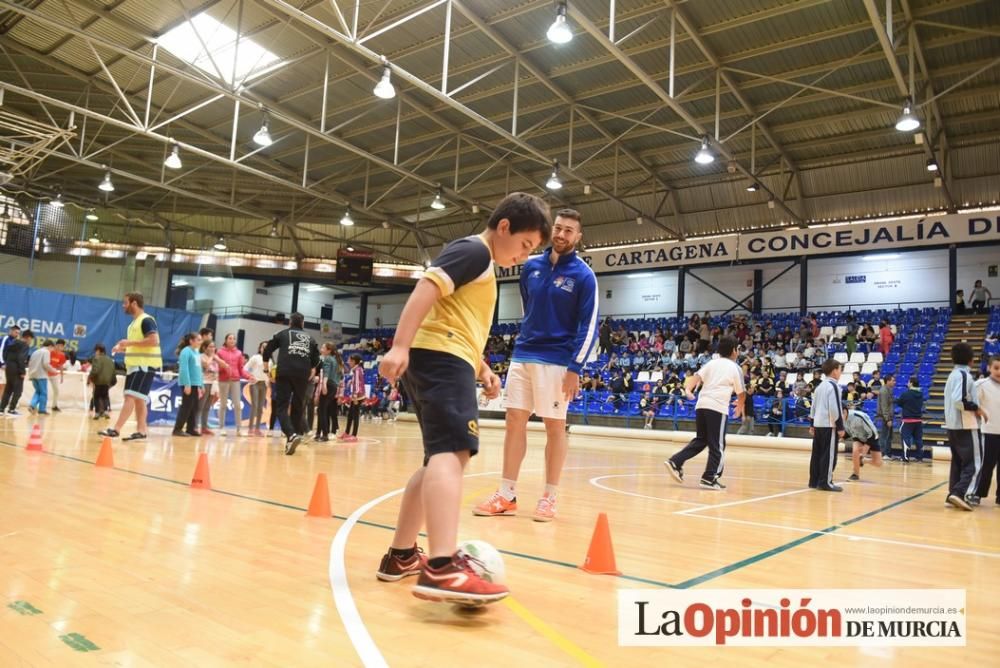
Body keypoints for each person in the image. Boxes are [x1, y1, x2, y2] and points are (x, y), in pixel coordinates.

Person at [375, 191, 549, 605]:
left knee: (437, 458)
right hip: (439, 356)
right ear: (504, 227)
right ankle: (442, 567)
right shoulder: (474, 250)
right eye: (525, 245)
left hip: (446, 356)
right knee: (454, 453)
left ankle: (401, 555)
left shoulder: (482, 263)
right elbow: (426, 290)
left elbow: (456, 318)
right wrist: (399, 345)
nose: (525, 257)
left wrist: (482, 367)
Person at [475, 208, 597, 522]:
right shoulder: (530, 267)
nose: (562, 234)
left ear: (578, 237)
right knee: (514, 421)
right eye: (558, 228)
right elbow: (529, 307)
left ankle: (549, 497)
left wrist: (575, 368)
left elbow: (589, 325)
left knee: (554, 427)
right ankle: (507, 494)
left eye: (569, 231)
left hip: (557, 361)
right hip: (523, 353)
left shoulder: (584, 276)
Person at [664, 336, 745, 490]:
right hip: (717, 408)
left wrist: (688, 390)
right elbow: (742, 392)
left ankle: (676, 461)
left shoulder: (711, 363)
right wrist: (740, 406)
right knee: (718, 445)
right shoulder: (735, 367)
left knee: (702, 440)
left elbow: (695, 377)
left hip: (701, 405)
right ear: (734, 350)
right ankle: (710, 478)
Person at [98, 293, 160, 441]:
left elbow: (154, 341)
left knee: (130, 396)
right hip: (136, 364)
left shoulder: (146, 320)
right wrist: (123, 348)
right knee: (139, 399)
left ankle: (116, 429)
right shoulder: (133, 324)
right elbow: (140, 345)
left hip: (143, 365)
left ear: (134, 303)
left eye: (125, 303)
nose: (123, 306)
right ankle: (141, 431)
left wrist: (129, 343)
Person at [263, 312, 319, 455]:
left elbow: (268, 349)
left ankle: (290, 434)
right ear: (303, 323)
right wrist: (309, 368)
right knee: (298, 406)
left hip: (285, 372)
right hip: (302, 375)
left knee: (281, 406)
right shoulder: (310, 338)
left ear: (289, 323)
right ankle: (293, 436)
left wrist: (265, 367)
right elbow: (316, 360)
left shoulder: (282, 334)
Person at [942, 342, 984, 511]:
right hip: (965, 425)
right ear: (971, 360)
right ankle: (961, 493)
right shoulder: (963, 375)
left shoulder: (952, 375)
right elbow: (958, 400)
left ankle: (952, 493)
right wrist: (977, 408)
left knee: (958, 462)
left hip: (952, 426)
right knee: (975, 463)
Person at [809, 359, 845, 492]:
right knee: (829, 455)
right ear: (835, 370)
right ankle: (826, 482)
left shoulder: (819, 387)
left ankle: (814, 481)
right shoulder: (833, 386)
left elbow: (813, 407)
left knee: (817, 454)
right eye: (840, 369)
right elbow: (834, 408)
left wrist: (812, 423)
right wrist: (840, 426)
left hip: (818, 425)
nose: (840, 372)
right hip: (829, 426)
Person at [973, 356, 1000, 504]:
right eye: (996, 368)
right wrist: (979, 411)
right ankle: (978, 494)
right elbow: (970, 402)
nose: (999, 371)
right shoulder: (981, 385)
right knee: (987, 465)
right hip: (989, 432)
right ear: (989, 368)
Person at [216, 333, 250, 437]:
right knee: (222, 404)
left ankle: (239, 429)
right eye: (230, 338)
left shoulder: (239, 353)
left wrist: (249, 377)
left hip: (235, 380)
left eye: (234, 339)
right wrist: (224, 368)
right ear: (226, 340)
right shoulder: (219, 352)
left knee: (238, 405)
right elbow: (217, 367)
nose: (232, 340)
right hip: (223, 380)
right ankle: (221, 428)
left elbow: (241, 369)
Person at [173, 332, 204, 437]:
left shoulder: (196, 352)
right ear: (191, 341)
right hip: (188, 383)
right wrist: (187, 384)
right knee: (186, 406)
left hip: (195, 384)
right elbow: (184, 369)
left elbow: (199, 370)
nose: (201, 342)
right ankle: (177, 429)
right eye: (198, 340)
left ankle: (190, 429)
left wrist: (201, 385)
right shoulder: (186, 352)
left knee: (194, 407)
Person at [843, 406, 883, 481]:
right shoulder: (841, 419)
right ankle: (855, 474)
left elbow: (873, 433)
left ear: (845, 411)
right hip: (858, 437)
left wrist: (865, 448)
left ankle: (864, 460)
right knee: (855, 451)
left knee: (878, 463)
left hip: (871, 437)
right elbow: (848, 433)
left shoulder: (859, 416)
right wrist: (841, 437)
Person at [0, 329, 32, 416]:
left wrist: (7, 363)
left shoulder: (12, 343)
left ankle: (1, 409)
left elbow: (4, 353)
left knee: (8, 389)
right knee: (18, 390)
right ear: (28, 338)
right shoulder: (24, 345)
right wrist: (22, 371)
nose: (30, 341)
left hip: (8, 368)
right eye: (31, 339)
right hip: (17, 369)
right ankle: (11, 410)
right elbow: (21, 358)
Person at [895, 376, 926, 463]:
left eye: (908, 382)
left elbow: (899, 403)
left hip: (907, 420)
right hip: (918, 420)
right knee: (918, 440)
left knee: (906, 439)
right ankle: (920, 458)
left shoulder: (906, 394)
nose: (907, 383)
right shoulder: (921, 394)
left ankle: (905, 457)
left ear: (911, 383)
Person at [316, 343, 342, 442]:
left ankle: (324, 435)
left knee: (321, 411)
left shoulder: (327, 359)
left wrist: (324, 385)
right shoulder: (336, 360)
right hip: (334, 386)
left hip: (328, 385)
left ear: (329, 350)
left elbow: (326, 373)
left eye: (323, 347)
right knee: (324, 410)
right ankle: (321, 433)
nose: (321, 348)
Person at [198, 340, 224, 435]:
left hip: (213, 384)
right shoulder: (201, 357)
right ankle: (195, 426)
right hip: (204, 382)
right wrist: (213, 356)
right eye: (210, 346)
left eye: (214, 347)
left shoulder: (215, 358)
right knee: (200, 406)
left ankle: (204, 427)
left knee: (207, 406)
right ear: (204, 348)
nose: (213, 349)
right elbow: (206, 365)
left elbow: (222, 365)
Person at [245, 341, 270, 437]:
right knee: (254, 406)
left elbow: (268, 373)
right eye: (263, 347)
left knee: (260, 407)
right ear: (260, 348)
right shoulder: (255, 357)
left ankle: (257, 429)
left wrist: (268, 380)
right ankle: (250, 428)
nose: (265, 349)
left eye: (267, 347)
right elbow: (245, 368)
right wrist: (250, 376)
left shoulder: (270, 360)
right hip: (254, 383)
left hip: (264, 384)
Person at [340, 354, 365, 442]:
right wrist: (351, 381)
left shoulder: (357, 370)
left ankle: (354, 435)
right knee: (350, 415)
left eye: (349, 361)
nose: (348, 362)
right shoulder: (356, 369)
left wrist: (355, 395)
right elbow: (358, 381)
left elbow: (358, 384)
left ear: (354, 361)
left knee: (355, 416)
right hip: (356, 395)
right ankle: (347, 433)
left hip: (358, 396)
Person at [27, 340, 57, 415]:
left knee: (38, 391)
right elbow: (46, 364)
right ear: (50, 346)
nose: (52, 350)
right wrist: (53, 370)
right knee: (43, 393)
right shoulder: (46, 352)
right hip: (41, 375)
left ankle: (32, 405)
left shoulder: (35, 352)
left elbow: (30, 363)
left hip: (33, 374)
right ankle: (42, 410)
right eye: (53, 348)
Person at [88, 344, 115, 420]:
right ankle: (106, 411)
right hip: (107, 381)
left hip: (99, 381)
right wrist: (112, 382)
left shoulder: (96, 358)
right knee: (105, 396)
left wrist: (90, 378)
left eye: (95, 351)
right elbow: (113, 371)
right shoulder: (110, 360)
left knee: (96, 396)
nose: (95, 353)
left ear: (98, 350)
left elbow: (95, 371)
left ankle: (97, 413)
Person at [876, 373, 896, 459]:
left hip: (888, 416)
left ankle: (888, 453)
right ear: (888, 381)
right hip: (885, 417)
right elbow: (884, 406)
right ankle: (883, 454)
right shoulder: (884, 391)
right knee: (884, 436)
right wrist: (887, 419)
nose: (894, 382)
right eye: (893, 380)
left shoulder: (889, 389)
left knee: (889, 436)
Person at [0, 325, 21, 402]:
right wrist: (2, 363)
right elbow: (0, 351)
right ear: (11, 331)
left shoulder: (14, 341)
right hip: (2, 366)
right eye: (16, 332)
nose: (17, 334)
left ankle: (2, 403)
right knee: (1, 385)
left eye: (18, 333)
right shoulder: (5, 339)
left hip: (8, 367)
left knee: (4, 385)